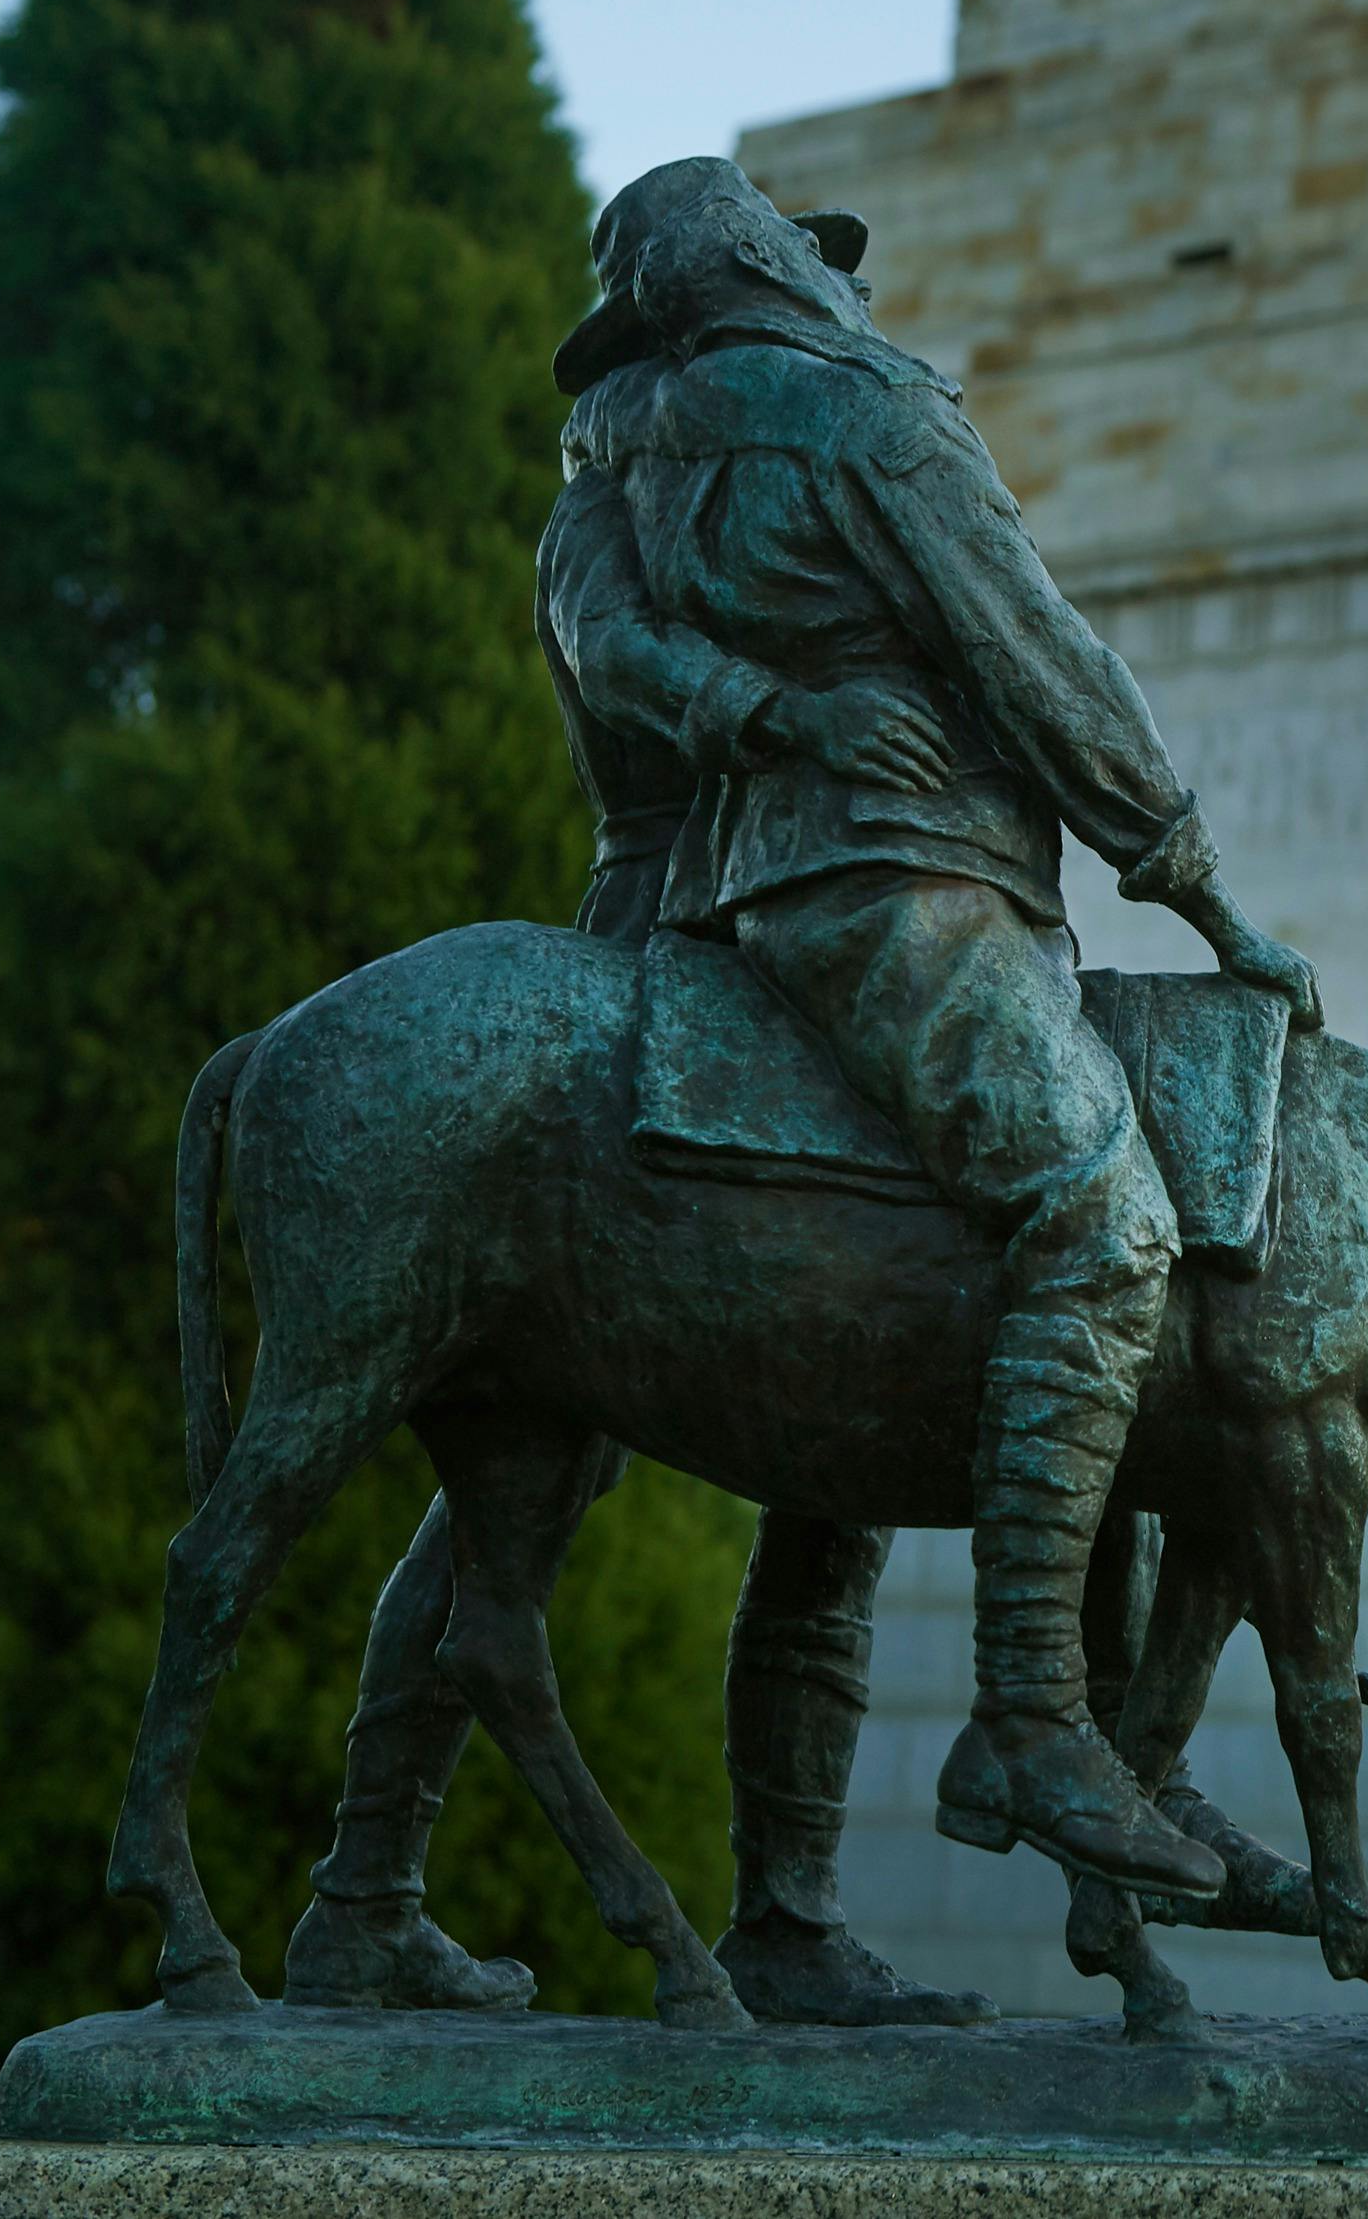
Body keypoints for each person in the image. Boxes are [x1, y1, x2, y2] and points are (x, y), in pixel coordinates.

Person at [555, 157, 1316, 1901]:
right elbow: (1037, 659)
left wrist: (753, 712)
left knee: (829, 1471)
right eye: (830, 267)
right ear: (773, 267)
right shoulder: (867, 415)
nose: (861, 294)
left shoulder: (620, 456)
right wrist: (1201, 896)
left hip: (725, 913)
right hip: (904, 888)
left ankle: (794, 1918)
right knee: (1108, 1230)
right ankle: (1039, 1721)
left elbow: (624, 677)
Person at [280, 221, 988, 2020]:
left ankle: (797, 1919)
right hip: (670, 950)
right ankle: (366, 1884)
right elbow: (630, 675)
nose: (826, 313)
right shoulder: (614, 514)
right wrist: (799, 706)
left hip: (815, 943)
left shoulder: (771, 472)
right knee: (526, 1476)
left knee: (861, 1442)